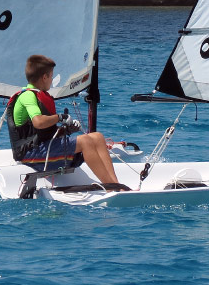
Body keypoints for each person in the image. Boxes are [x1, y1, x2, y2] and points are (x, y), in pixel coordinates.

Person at [7, 54, 128, 189]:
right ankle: (111, 187)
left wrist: (68, 129)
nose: (52, 80)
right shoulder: (28, 96)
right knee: (85, 141)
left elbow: (45, 132)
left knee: (97, 137)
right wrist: (60, 117)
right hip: (30, 154)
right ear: (44, 77)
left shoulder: (40, 95)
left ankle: (116, 184)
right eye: (51, 76)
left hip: (44, 147)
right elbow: (38, 123)